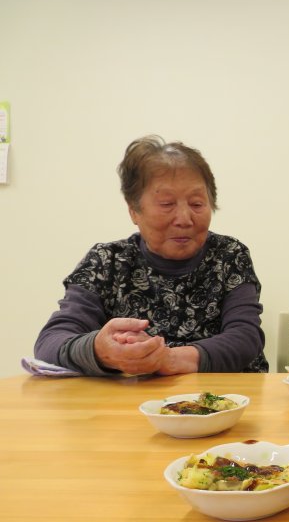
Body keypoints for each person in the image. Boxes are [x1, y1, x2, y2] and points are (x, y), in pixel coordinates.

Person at [34, 135, 269, 376]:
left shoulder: (229, 255)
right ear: (134, 211)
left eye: (197, 204)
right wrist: (98, 350)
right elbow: (50, 341)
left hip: (224, 396)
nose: (184, 219)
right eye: (167, 204)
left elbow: (245, 338)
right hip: (133, 397)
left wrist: (170, 359)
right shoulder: (106, 261)